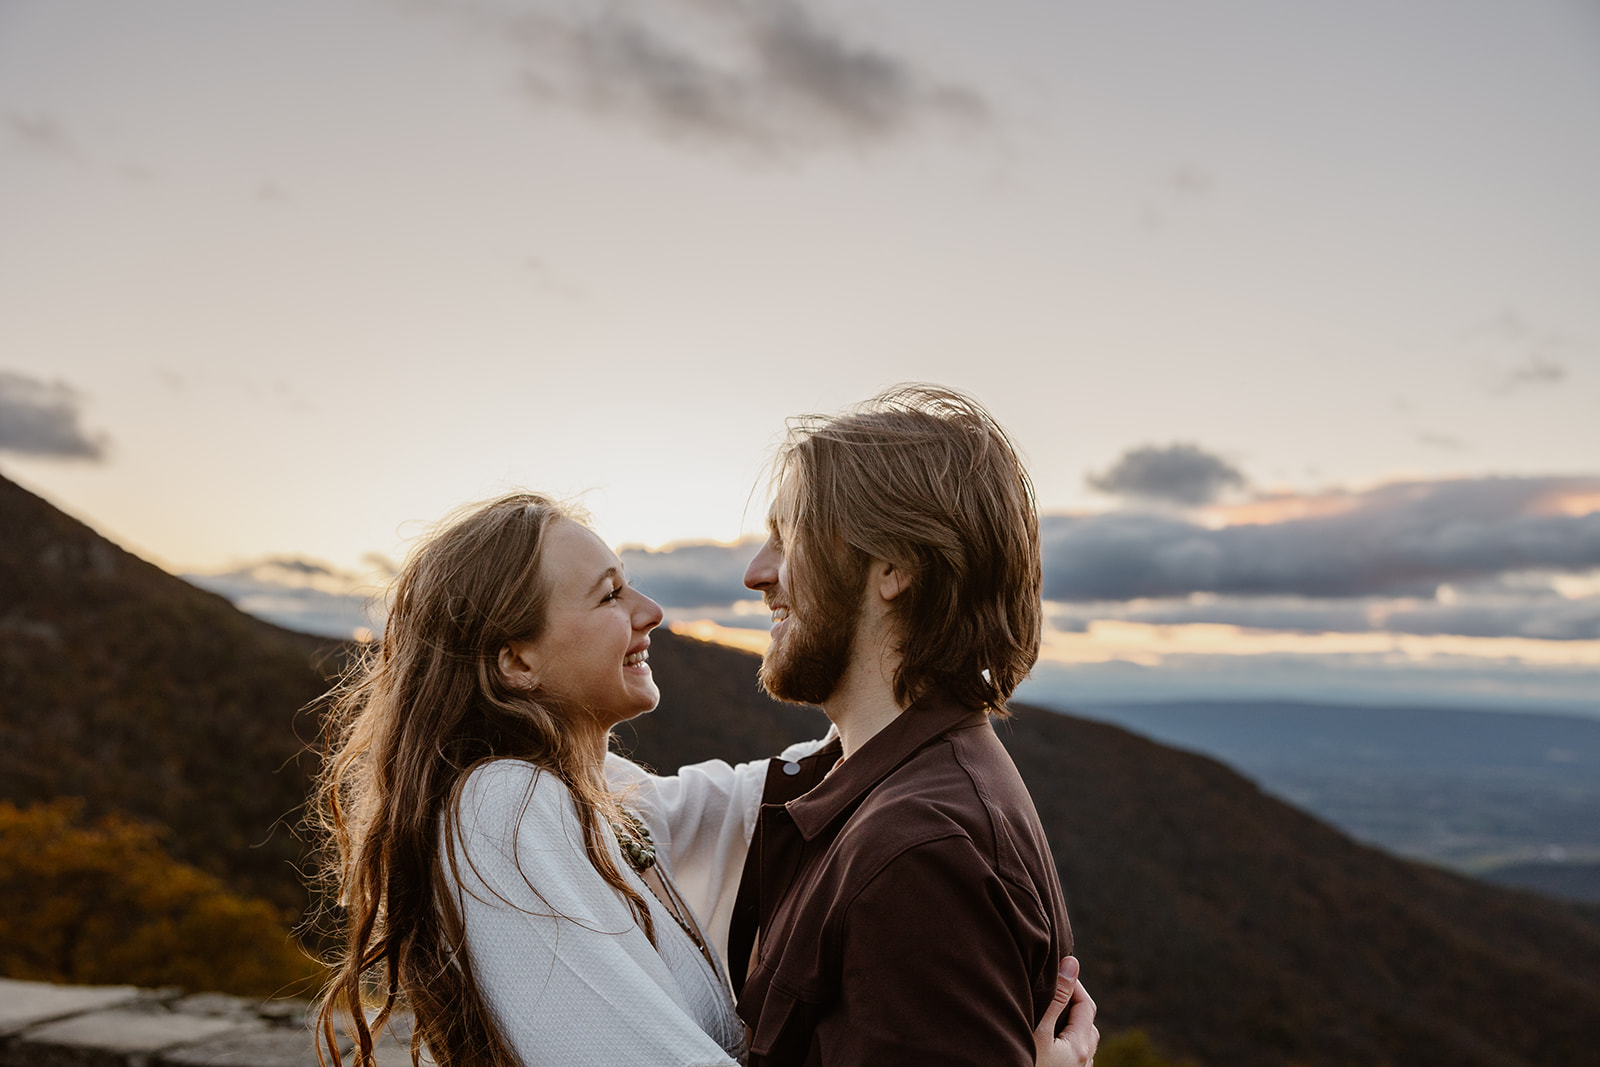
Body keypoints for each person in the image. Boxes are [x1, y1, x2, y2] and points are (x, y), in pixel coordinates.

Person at [312, 490, 1098, 1066]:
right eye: (611, 593)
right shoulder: (504, 807)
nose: (651, 611)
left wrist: (892, 672)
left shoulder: (583, 798)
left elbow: (768, 790)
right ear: (516, 661)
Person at [728, 384, 1075, 1065]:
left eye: (786, 535)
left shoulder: (917, 852)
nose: (756, 574)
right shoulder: (885, 796)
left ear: (893, 563)